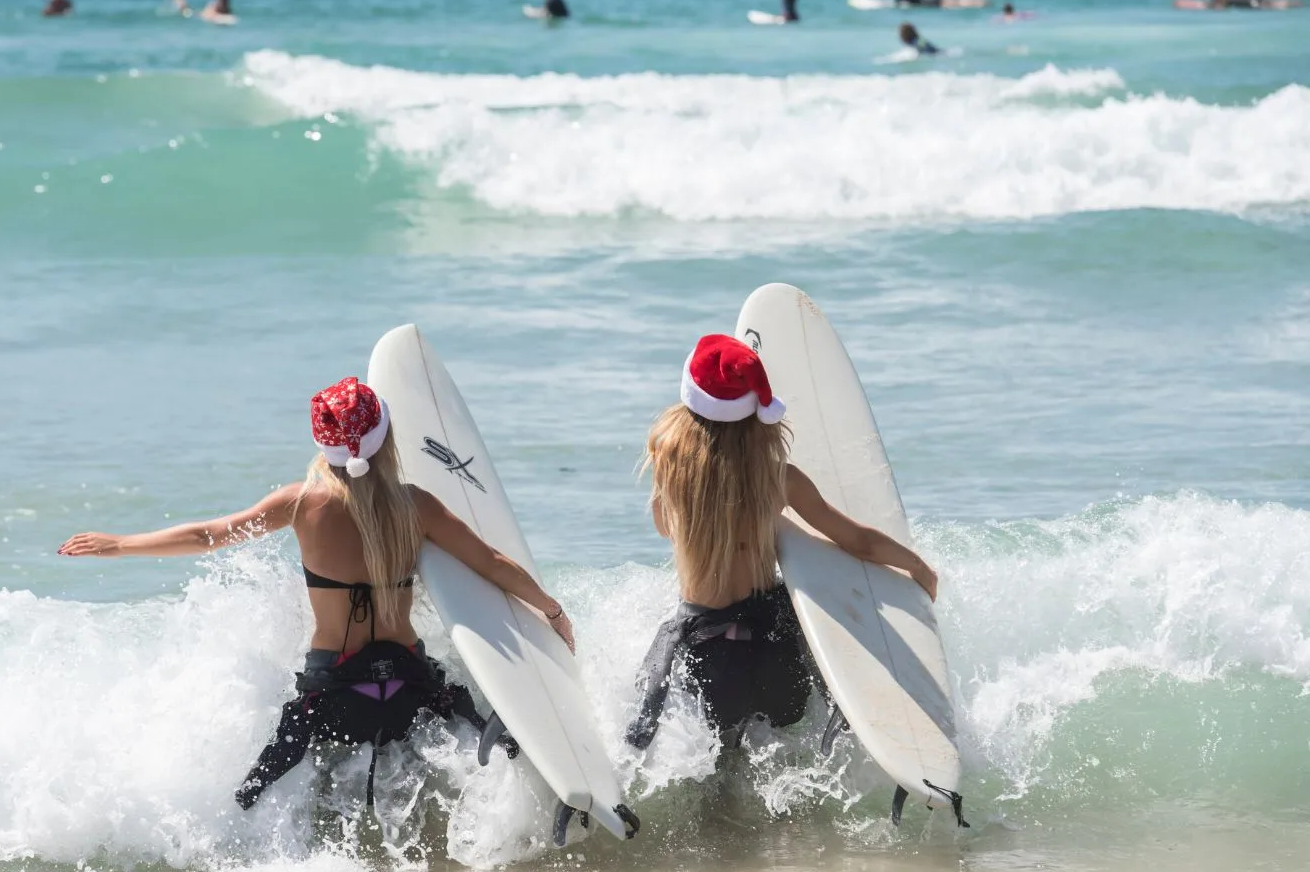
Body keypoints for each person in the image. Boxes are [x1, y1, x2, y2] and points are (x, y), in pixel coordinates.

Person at [59, 377, 574, 811]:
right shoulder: (416, 505)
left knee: (255, 789)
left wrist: (119, 544)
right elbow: (492, 563)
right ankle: (551, 800)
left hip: (333, 698)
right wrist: (551, 611)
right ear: (385, 436)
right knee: (485, 730)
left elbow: (207, 536)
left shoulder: (302, 502)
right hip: (410, 691)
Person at [623, 336, 938, 751]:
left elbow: (665, 527)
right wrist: (916, 566)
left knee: (723, 759)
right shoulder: (777, 479)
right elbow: (857, 540)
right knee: (782, 752)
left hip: (709, 653)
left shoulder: (670, 466)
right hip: (774, 650)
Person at [169, 0, 234, 22]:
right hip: (194, 14)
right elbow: (209, 17)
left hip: (197, 14)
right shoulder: (214, 7)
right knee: (184, 10)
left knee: (185, 9)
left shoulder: (223, 8)